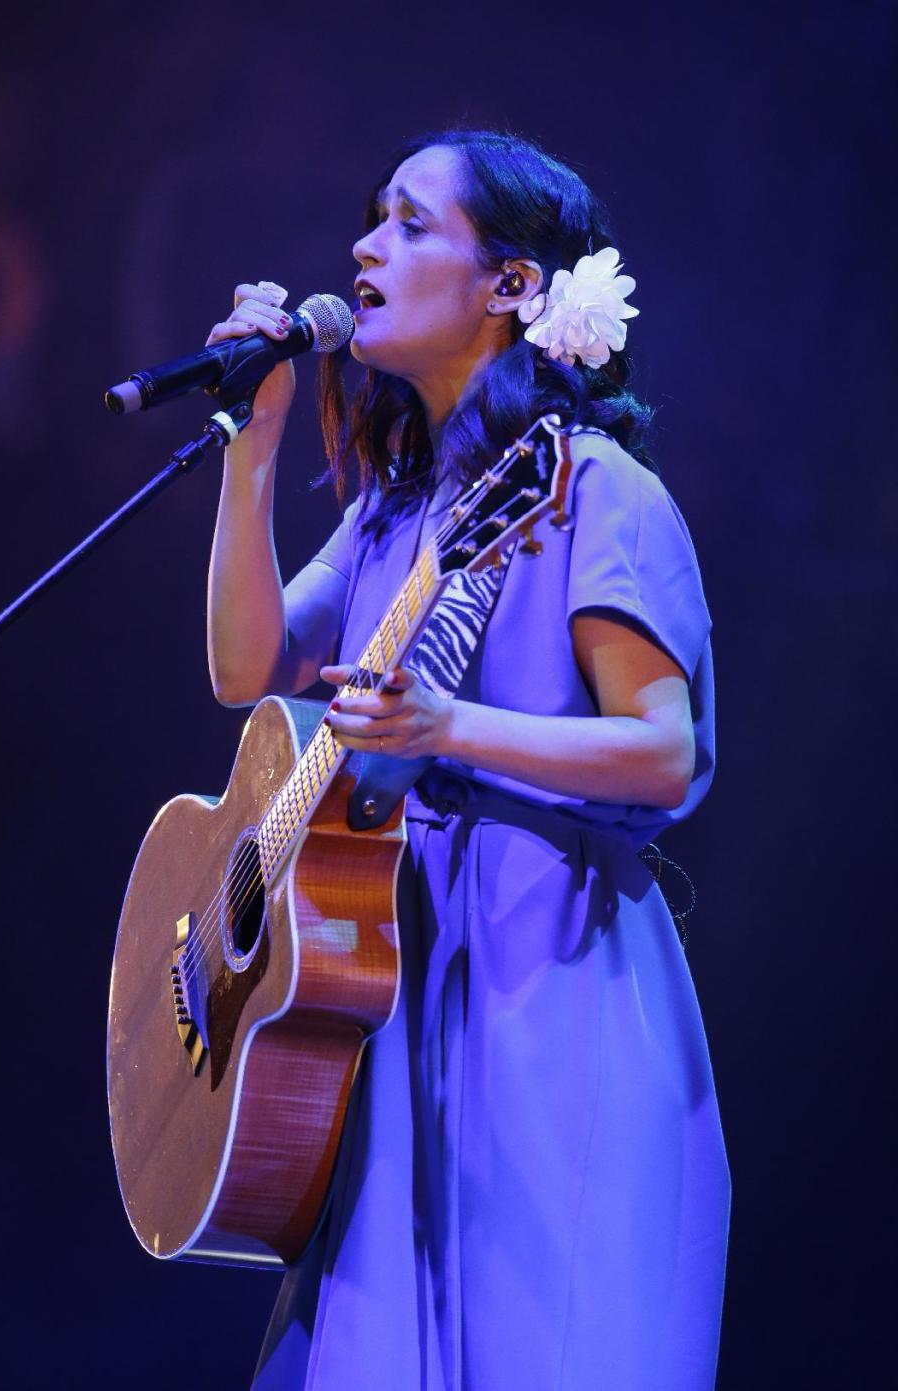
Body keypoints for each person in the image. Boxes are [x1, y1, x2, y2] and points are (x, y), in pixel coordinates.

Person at [206, 129, 730, 1391]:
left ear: (509, 286)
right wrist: (252, 442)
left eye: (408, 223)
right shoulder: (391, 508)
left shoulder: (593, 490)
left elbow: (667, 751)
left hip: (546, 989)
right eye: (370, 218)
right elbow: (247, 668)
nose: (362, 247)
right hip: (386, 988)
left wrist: (445, 730)